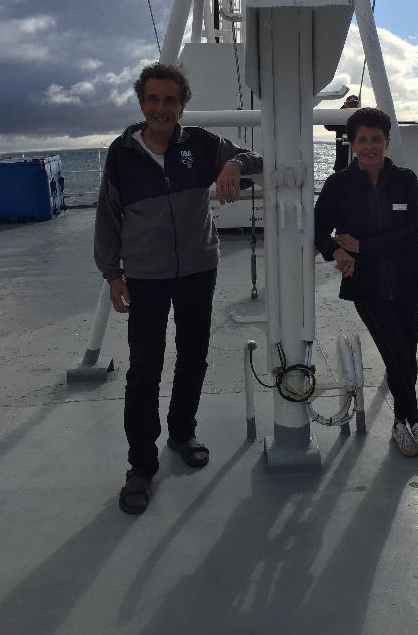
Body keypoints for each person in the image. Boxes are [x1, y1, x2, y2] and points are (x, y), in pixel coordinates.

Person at [94, 62, 262, 514]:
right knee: (144, 368)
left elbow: (253, 159)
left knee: (193, 355)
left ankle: (182, 431)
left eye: (170, 100)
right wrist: (113, 275)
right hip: (145, 276)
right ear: (142, 103)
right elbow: (108, 217)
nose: (161, 108)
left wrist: (231, 163)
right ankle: (141, 466)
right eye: (153, 99)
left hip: (196, 270)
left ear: (182, 105)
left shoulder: (203, 144)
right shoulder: (122, 153)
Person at [314, 107, 418, 458]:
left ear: (386, 142)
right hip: (367, 284)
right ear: (352, 144)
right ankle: (414, 421)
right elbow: (318, 227)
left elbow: (412, 233)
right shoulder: (338, 185)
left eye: (376, 140)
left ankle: (401, 422)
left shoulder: (405, 179)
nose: (370, 146)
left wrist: (364, 247)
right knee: (396, 352)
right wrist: (335, 253)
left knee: (405, 350)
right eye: (362, 140)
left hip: (410, 279)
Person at [324, 94, 360, 171]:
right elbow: (327, 125)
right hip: (341, 163)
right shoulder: (340, 121)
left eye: (354, 103)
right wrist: (342, 110)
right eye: (349, 103)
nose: (352, 105)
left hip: (358, 163)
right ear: (345, 104)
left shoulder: (362, 120)